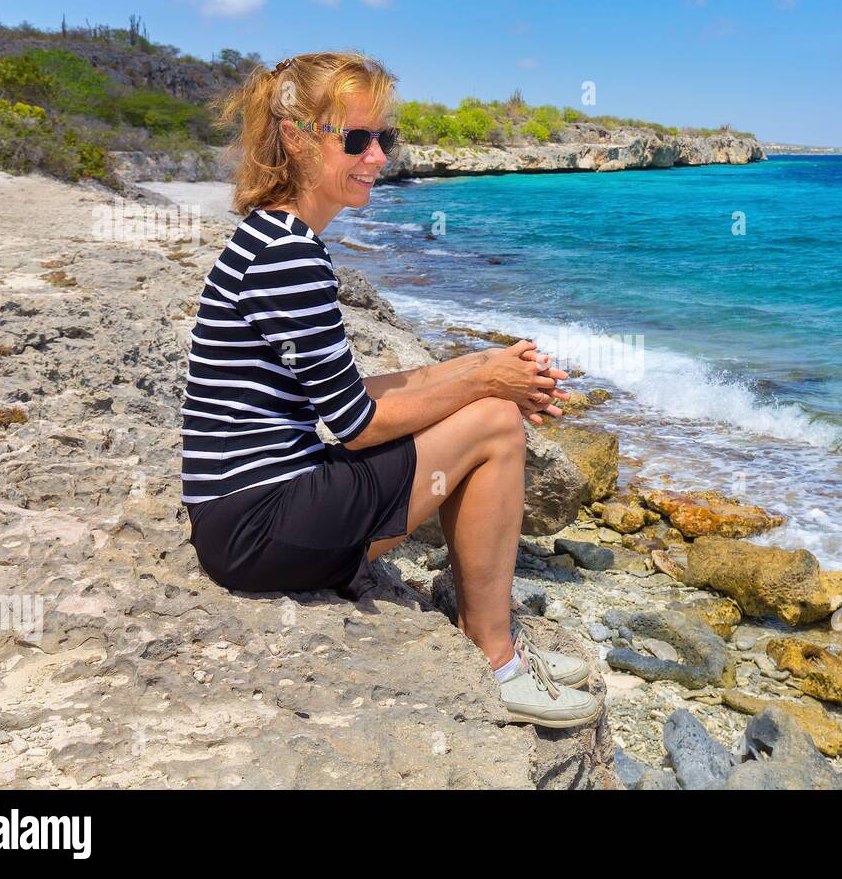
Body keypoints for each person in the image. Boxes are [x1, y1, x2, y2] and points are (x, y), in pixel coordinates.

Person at [179, 52, 600, 729]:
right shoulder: (287, 257)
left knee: (485, 399)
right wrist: (489, 382)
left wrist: (477, 364)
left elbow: (339, 392)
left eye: (385, 139)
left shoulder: (276, 238)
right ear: (297, 137)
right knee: (494, 422)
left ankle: (489, 630)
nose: (376, 156)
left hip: (245, 513)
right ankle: (496, 660)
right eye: (355, 139)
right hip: (257, 530)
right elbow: (354, 424)